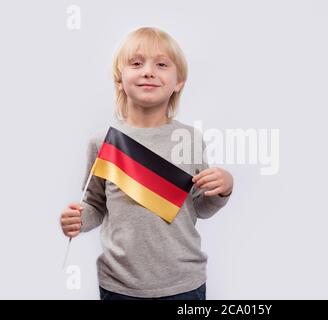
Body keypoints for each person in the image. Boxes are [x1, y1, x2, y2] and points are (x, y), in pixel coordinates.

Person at [59, 27, 233, 300]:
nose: (149, 71)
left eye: (161, 64)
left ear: (179, 82)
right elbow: (94, 203)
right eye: (136, 63)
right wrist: (78, 219)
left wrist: (223, 188)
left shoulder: (187, 138)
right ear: (120, 80)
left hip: (183, 284)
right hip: (119, 285)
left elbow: (198, 207)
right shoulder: (103, 141)